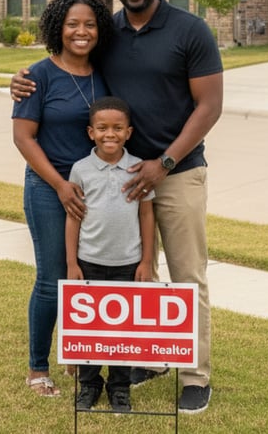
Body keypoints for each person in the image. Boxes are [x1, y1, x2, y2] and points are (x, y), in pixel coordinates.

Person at [12, 0, 223, 414]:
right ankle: (138, 362)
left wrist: (163, 163)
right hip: (118, 179)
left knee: (187, 276)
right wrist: (21, 79)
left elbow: (209, 106)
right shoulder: (110, 33)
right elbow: (69, 56)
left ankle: (195, 378)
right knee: (128, 274)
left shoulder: (191, 30)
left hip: (177, 171)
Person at [12, 0, 114, 398]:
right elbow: (23, 138)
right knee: (53, 279)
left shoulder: (105, 74)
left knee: (88, 274)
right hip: (48, 188)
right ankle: (38, 368)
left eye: (89, 24)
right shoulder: (38, 76)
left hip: (99, 190)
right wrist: (59, 184)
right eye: (73, 24)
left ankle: (77, 354)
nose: (81, 31)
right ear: (58, 27)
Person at [65, 96, 155, 413]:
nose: (110, 134)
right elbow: (73, 216)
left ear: (128, 132)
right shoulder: (80, 170)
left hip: (127, 264)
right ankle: (89, 385)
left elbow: (146, 215)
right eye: (102, 128)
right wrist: (72, 262)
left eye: (117, 128)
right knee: (89, 330)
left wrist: (145, 261)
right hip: (89, 262)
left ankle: (119, 388)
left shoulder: (138, 168)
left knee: (121, 331)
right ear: (91, 132)